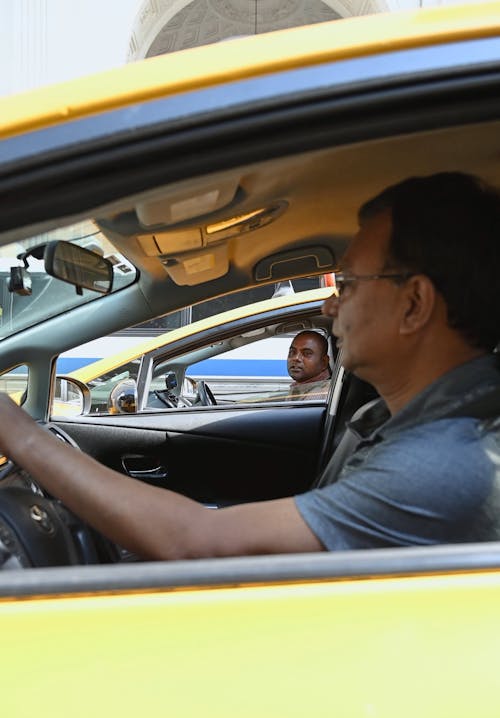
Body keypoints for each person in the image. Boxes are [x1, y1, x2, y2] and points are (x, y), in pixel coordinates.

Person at [0, 170, 499, 561]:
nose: (329, 308)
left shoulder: (446, 461)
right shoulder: (397, 423)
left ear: (414, 304)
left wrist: (20, 434)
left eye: (346, 284)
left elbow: (197, 541)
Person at [286, 331, 332, 400]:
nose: (296, 358)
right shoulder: (302, 387)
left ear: (324, 362)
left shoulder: (319, 395)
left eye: (307, 353)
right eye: (292, 352)